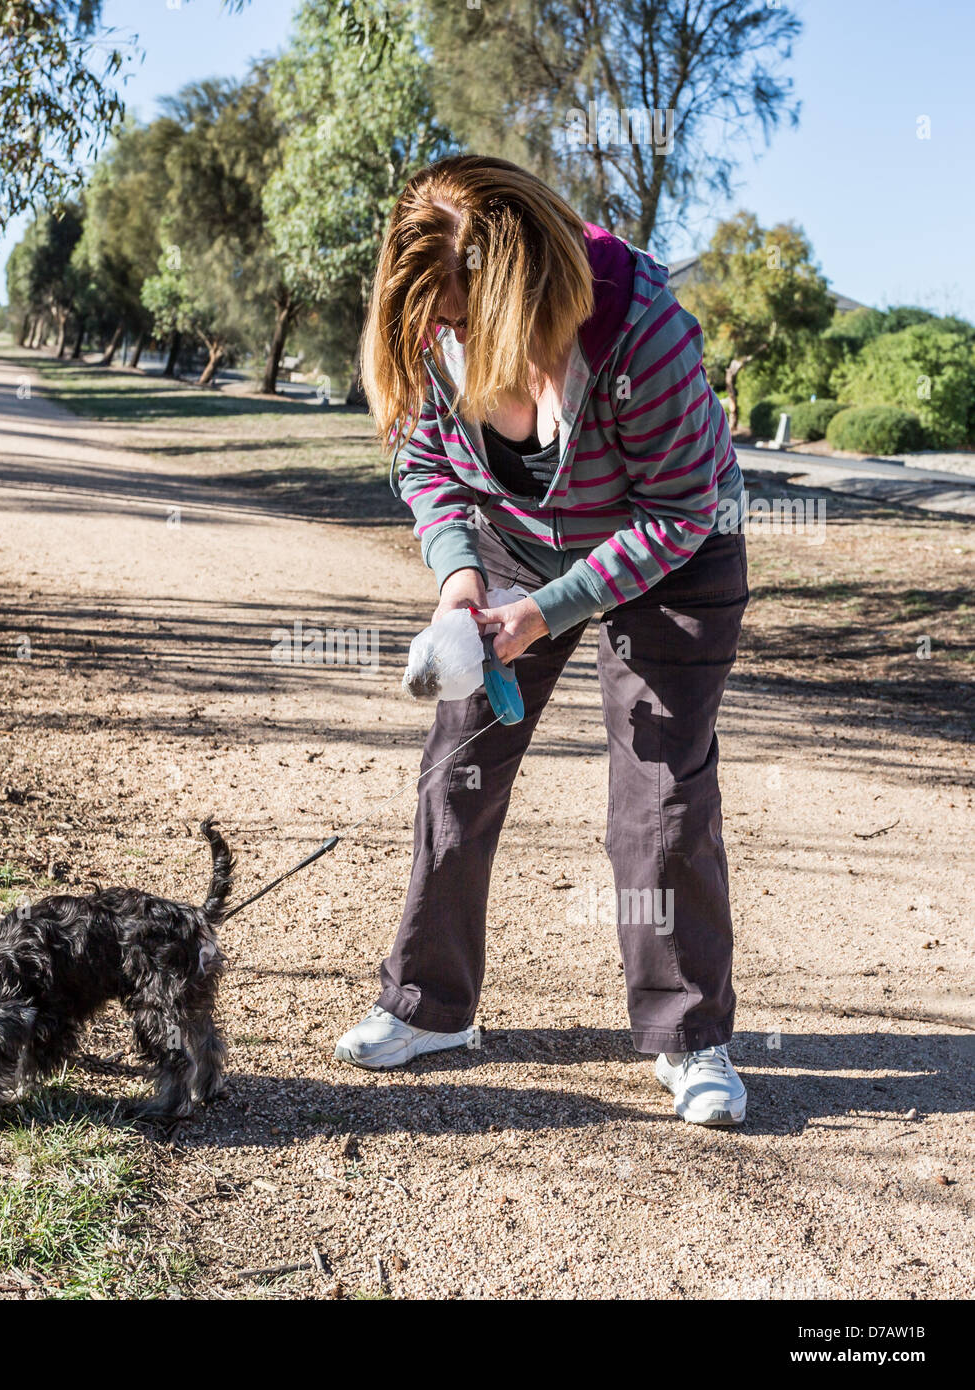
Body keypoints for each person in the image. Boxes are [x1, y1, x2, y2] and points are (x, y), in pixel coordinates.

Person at [335, 154, 750, 1126]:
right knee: (457, 768)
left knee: (659, 790)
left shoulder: (637, 326)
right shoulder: (435, 321)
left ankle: (690, 1036)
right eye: (434, 322)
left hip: (673, 547)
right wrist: (460, 583)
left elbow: (681, 510)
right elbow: (424, 456)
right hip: (512, 551)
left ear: (527, 293)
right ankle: (429, 1006)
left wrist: (544, 613)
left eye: (464, 321)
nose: (448, 338)